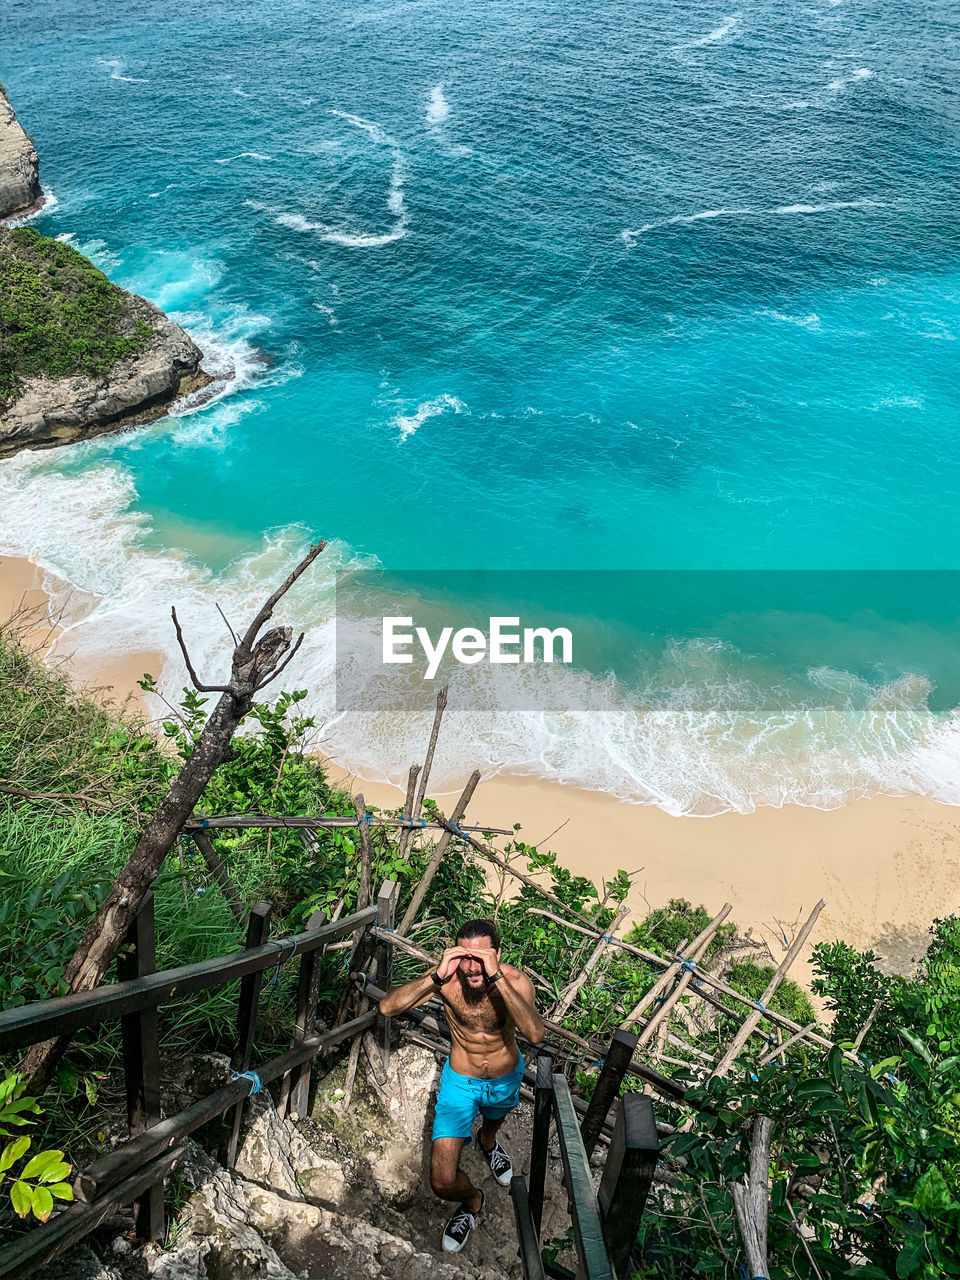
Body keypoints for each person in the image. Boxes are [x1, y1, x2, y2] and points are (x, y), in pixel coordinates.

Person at [379, 917, 545, 1253]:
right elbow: (387, 1007)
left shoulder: (514, 982)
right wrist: (437, 974)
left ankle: (487, 1141)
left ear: (497, 954)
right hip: (460, 1082)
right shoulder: (446, 979)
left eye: (481, 957)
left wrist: (496, 976)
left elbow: (535, 1033)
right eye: (465, 956)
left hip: (504, 1077)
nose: (472, 967)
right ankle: (472, 1201)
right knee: (441, 1181)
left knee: (495, 1118)